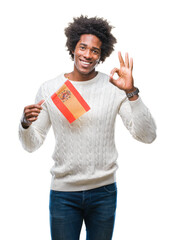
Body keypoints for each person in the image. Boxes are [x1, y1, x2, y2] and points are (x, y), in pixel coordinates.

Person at [19, 15, 156, 240]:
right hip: (64, 194)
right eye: (83, 47)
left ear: (101, 55)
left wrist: (131, 91)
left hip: (104, 193)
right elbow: (32, 145)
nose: (87, 55)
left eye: (95, 51)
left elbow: (148, 135)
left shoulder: (113, 88)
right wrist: (25, 124)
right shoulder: (51, 89)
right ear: (72, 48)